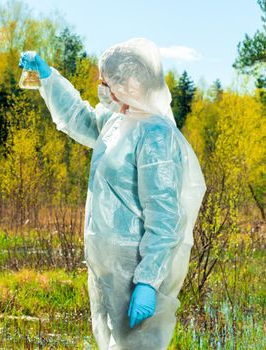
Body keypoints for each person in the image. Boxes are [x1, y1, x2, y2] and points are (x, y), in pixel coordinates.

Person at [19, 38, 206, 349]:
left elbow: (165, 217)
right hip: (108, 269)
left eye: (106, 82)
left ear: (131, 83)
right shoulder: (118, 120)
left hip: (134, 270)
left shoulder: (156, 135)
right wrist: (48, 78)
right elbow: (81, 119)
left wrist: (148, 280)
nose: (101, 87)